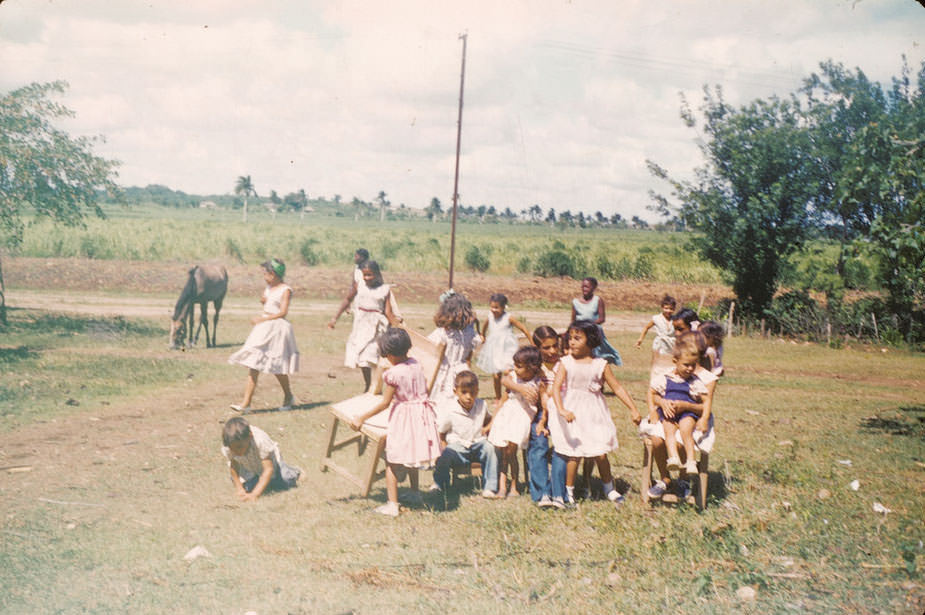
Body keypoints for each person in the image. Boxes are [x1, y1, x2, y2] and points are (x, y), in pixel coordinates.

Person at [351, 327, 442, 517]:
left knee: (392, 461)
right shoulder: (415, 364)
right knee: (412, 456)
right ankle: (415, 492)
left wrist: (361, 417)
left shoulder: (394, 374)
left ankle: (392, 504)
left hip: (404, 418)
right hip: (421, 415)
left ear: (389, 354)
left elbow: (385, 403)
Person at [549, 320, 641, 506]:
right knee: (575, 453)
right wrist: (561, 409)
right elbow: (556, 388)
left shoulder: (600, 364)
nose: (572, 342)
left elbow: (617, 388)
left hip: (594, 413)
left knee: (600, 452)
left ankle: (609, 488)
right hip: (572, 412)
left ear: (590, 341)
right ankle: (569, 492)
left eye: (577, 338)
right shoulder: (565, 362)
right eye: (570, 338)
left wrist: (633, 409)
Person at [639, 330, 718, 502]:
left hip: (693, 416)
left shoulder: (705, 378)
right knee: (657, 440)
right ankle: (665, 478)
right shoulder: (671, 371)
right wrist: (660, 404)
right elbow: (654, 393)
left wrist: (687, 407)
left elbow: (704, 406)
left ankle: (683, 479)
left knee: (681, 440)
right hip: (668, 414)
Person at [228, 259, 299, 413]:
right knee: (254, 363)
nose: (263, 277)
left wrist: (262, 319)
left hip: (276, 328)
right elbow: (266, 301)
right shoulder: (269, 288)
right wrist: (264, 301)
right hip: (264, 328)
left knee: (276, 366)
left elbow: (282, 312)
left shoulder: (285, 290)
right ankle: (246, 403)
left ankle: (288, 396)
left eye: (265, 274)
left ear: (273, 274)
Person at [485, 345, 544, 498]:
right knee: (504, 451)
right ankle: (503, 485)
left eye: (519, 366)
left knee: (511, 450)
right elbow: (504, 392)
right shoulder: (513, 377)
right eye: (515, 365)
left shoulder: (537, 382)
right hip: (506, 415)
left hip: (522, 417)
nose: (516, 369)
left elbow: (541, 403)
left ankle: (514, 485)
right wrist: (491, 423)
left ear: (532, 368)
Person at [333, 260, 401, 392]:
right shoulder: (360, 286)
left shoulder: (384, 290)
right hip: (361, 325)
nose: (366, 278)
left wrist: (397, 325)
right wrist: (335, 317)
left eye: (370, 275)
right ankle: (368, 384)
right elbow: (348, 299)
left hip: (377, 328)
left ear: (376, 274)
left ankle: (376, 386)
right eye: (364, 275)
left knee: (373, 356)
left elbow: (388, 312)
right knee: (363, 359)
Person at [431, 370, 499, 497]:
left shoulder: (481, 404)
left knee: (490, 448)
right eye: (464, 392)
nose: (469, 397)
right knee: (445, 454)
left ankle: (489, 487)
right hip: (459, 446)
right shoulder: (451, 409)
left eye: (472, 393)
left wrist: (487, 428)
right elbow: (441, 432)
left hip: (477, 443)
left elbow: (489, 419)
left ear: (477, 391)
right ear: (455, 391)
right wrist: (443, 448)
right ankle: (439, 483)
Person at [650, 343, 709, 477]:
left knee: (686, 431)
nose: (690, 369)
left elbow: (705, 402)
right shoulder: (666, 378)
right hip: (669, 412)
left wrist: (700, 414)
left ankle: (691, 461)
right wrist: (662, 402)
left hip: (686, 412)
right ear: (675, 362)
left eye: (693, 365)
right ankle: (673, 458)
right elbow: (653, 393)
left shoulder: (694, 381)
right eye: (686, 365)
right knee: (668, 432)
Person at [221, 416, 301, 501]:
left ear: (250, 436)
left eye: (239, 447)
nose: (236, 452)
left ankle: (294, 471)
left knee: (286, 480)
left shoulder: (260, 441)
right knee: (249, 488)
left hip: (272, 466)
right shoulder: (229, 444)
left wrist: (255, 495)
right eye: (233, 449)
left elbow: (268, 469)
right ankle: (264, 481)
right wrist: (239, 488)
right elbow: (234, 466)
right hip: (251, 468)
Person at [476, 293, 532, 399]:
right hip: (494, 348)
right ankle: (498, 397)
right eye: (492, 307)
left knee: (508, 372)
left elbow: (524, 329)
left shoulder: (508, 318)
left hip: (507, 348)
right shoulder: (490, 316)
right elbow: (485, 325)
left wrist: (532, 343)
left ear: (503, 307)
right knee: (496, 375)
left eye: (496, 307)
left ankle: (510, 394)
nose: (493, 309)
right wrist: (482, 335)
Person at [428, 291, 481, 401]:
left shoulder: (442, 333)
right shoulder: (470, 332)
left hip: (443, 372)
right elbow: (469, 355)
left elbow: (430, 349)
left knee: (440, 400)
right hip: (462, 371)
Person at [571, 277, 622, 366]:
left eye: (587, 287)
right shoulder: (575, 302)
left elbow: (602, 318)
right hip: (579, 330)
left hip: (593, 329)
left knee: (596, 351)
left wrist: (588, 326)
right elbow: (573, 321)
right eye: (583, 286)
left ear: (594, 288)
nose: (584, 289)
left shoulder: (598, 300)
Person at [327, 247, 369, 328]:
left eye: (356, 256)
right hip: (358, 302)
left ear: (362, 258)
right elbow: (353, 285)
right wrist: (348, 303)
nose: (354, 258)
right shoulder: (357, 268)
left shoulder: (369, 270)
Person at [634, 294, 677, 365]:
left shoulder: (676, 319)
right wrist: (640, 339)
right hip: (660, 344)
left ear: (674, 309)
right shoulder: (656, 318)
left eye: (671, 309)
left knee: (671, 363)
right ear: (662, 308)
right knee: (657, 362)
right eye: (666, 308)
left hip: (672, 344)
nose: (668, 311)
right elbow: (646, 327)